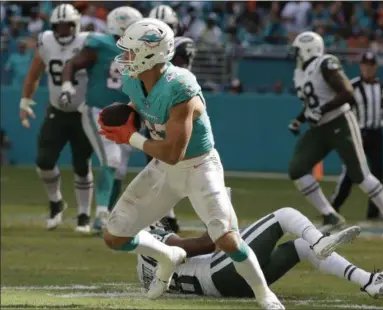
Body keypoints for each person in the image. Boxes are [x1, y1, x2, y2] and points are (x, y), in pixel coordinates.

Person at [98, 18, 284, 309]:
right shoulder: (134, 80)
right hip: (165, 170)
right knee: (114, 237)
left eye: (132, 51)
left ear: (151, 53)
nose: (126, 58)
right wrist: (124, 117)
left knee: (226, 239)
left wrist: (130, 137)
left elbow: (174, 152)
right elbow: (140, 107)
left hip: (199, 166)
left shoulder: (180, 86)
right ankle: (167, 254)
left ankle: (264, 293)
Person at [137, 206, 383, 299]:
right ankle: (320, 240)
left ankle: (369, 282)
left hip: (228, 286)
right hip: (222, 273)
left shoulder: (143, 268)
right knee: (284, 215)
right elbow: (207, 244)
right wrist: (220, 215)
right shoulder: (148, 237)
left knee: (300, 248)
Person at [287, 31, 383, 236]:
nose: (296, 55)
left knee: (360, 175)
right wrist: (299, 119)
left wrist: (320, 111)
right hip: (319, 128)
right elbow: (313, 103)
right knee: (297, 168)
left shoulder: (325, 63)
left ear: (307, 49)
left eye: (298, 51)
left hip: (340, 122)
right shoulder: (300, 74)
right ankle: (330, 216)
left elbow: (347, 93)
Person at [61, 6, 143, 233]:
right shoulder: (101, 44)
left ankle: (110, 216)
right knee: (112, 160)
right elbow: (72, 64)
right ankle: (102, 215)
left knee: (120, 169)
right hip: (98, 111)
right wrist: (67, 86)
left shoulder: (139, 50)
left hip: (126, 115)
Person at [19, 3, 94, 231]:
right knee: (44, 161)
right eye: (59, 27)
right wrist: (25, 101)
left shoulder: (89, 42)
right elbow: (34, 73)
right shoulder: (46, 41)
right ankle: (56, 202)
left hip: (83, 112)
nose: (63, 31)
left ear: (76, 26)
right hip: (57, 111)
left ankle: (83, 215)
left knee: (82, 165)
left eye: (68, 26)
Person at [147, 4, 197, 233]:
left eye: (166, 27)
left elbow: (178, 78)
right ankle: (167, 216)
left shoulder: (182, 45)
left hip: (176, 108)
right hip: (155, 109)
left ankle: (213, 212)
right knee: (157, 163)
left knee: (185, 164)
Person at [330, 52, 383, 220]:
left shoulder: (382, 87)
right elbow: (342, 109)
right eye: (365, 65)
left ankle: (374, 213)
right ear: (361, 66)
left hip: (376, 133)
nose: (368, 68)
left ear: (375, 67)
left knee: (378, 174)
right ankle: (332, 209)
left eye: (371, 65)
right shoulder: (353, 86)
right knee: (351, 173)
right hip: (359, 134)